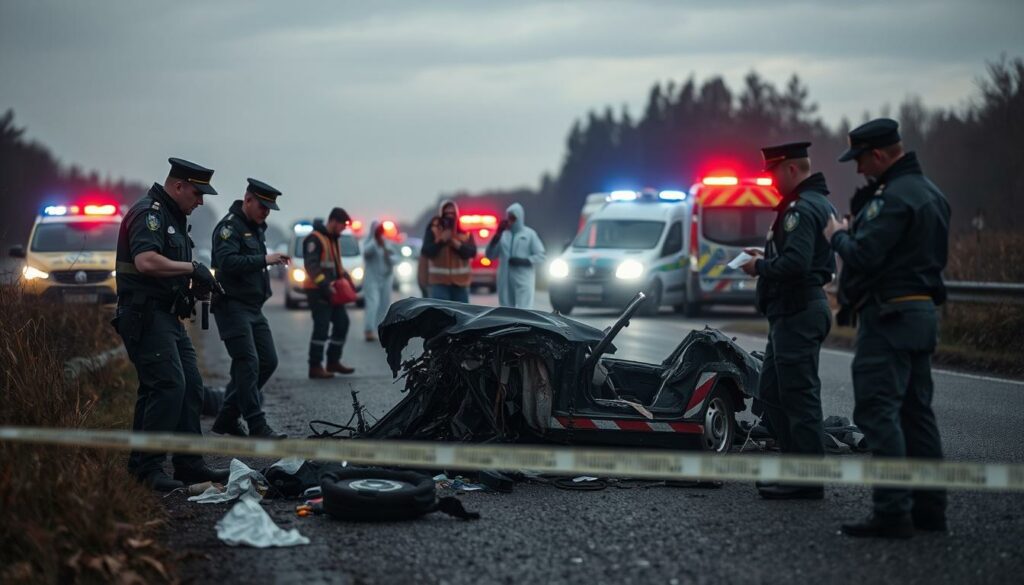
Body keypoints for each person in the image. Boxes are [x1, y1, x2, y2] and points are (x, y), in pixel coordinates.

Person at [826, 118, 950, 538]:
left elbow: (864, 254)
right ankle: (930, 509)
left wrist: (839, 235)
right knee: (918, 416)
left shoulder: (892, 197)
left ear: (878, 154)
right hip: (921, 316)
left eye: (861, 160)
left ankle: (891, 511)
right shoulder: (932, 193)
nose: (860, 170)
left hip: (890, 317)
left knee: (879, 413)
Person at [113, 157, 230, 492]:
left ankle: (189, 465)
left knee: (190, 386)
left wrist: (198, 287)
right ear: (178, 186)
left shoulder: (174, 218)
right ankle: (146, 470)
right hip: (145, 316)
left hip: (167, 316)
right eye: (197, 193)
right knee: (166, 387)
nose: (201, 201)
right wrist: (191, 267)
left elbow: (171, 269)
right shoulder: (149, 213)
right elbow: (146, 261)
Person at [740, 142, 836, 500]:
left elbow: (797, 264)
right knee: (771, 394)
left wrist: (759, 267)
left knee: (799, 398)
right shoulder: (813, 203)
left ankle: (807, 479)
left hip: (798, 311)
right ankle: (795, 469)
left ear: (791, 170)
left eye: (773, 173)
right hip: (790, 311)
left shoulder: (799, 208)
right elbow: (801, 256)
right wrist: (765, 255)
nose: (770, 181)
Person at [209, 179, 290, 439]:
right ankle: (257, 425)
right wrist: (265, 260)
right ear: (248, 200)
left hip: (253, 308)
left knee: (268, 361)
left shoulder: (256, 228)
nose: (265, 212)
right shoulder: (229, 228)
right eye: (262, 206)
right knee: (248, 363)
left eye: (269, 208)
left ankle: (226, 418)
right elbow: (227, 261)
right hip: (232, 306)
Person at [303, 207, 355, 379]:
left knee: (342, 323)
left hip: (333, 291)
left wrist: (347, 279)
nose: (343, 229)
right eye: (342, 225)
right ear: (333, 221)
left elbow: (335, 266)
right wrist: (325, 285)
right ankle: (315, 366)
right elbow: (312, 266)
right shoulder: (314, 239)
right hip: (317, 291)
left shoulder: (333, 239)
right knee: (321, 327)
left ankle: (333, 361)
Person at [485, 202, 546, 309]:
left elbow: (541, 256)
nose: (510, 221)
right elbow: (490, 255)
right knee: (506, 311)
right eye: (508, 218)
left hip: (523, 279)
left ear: (519, 218)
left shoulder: (529, 234)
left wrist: (525, 261)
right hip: (505, 280)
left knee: (524, 310)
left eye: (513, 218)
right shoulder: (503, 235)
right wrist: (497, 235)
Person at [421, 200, 476, 302]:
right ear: (441, 214)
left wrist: (457, 245)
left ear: (457, 215)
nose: (450, 217)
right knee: (442, 314)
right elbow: (426, 251)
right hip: (439, 282)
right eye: (446, 214)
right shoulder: (434, 230)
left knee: (461, 314)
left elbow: (472, 252)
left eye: (452, 213)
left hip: (460, 283)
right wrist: (441, 241)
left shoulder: (465, 233)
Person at [361, 220, 395, 342]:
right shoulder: (369, 242)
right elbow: (366, 253)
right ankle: (368, 330)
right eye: (378, 230)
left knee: (384, 305)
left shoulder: (387, 243)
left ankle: (381, 329)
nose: (380, 233)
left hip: (386, 278)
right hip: (372, 279)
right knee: (373, 303)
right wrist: (376, 242)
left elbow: (395, 258)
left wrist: (387, 251)